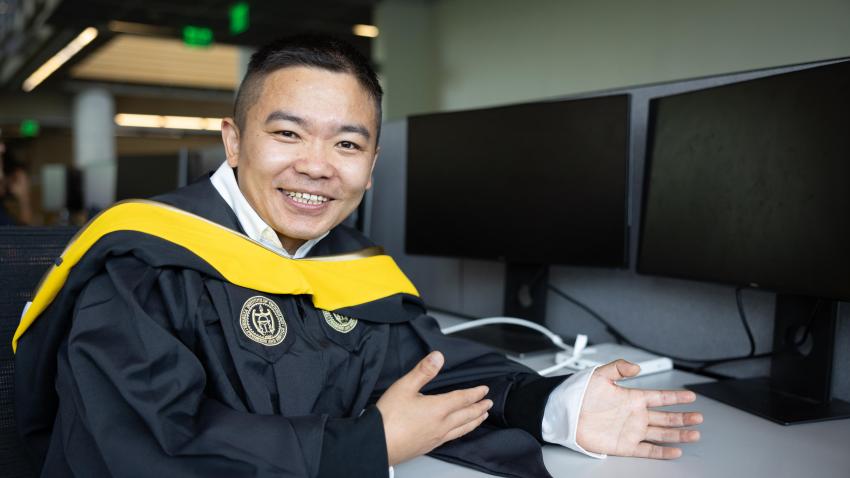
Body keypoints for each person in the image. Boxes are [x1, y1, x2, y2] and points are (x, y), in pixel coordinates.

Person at [14, 35, 702, 477]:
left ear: (371, 167)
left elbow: (430, 372)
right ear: (232, 141)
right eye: (288, 133)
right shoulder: (141, 267)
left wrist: (558, 406)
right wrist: (365, 447)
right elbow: (141, 449)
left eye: (347, 144)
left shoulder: (352, 270)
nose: (318, 166)